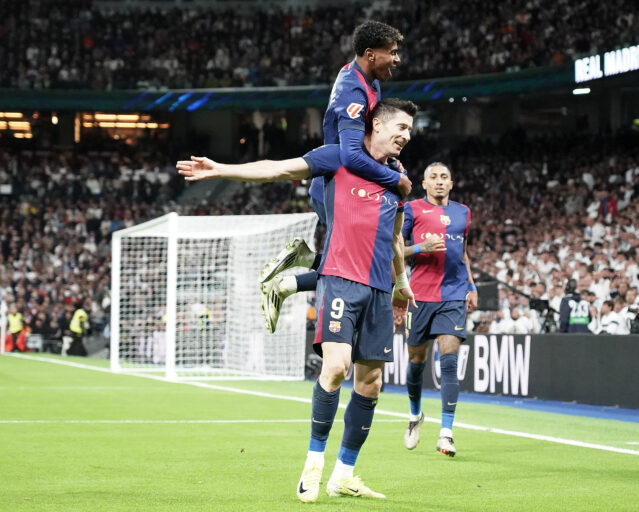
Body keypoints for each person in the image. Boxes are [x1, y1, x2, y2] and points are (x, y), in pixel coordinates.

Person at [178, 98, 419, 502]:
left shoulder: (399, 176)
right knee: (337, 367)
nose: (406, 135)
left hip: (379, 288)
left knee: (371, 382)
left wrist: (401, 281)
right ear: (376, 125)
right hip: (340, 279)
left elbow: (395, 237)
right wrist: (221, 169)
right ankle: (313, 464)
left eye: (410, 129)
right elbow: (277, 168)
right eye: (401, 127)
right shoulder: (340, 157)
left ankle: (344, 474)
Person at [259, 20, 411, 333]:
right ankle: (288, 283)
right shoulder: (352, 89)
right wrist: (393, 179)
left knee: (362, 264)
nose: (397, 59)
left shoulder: (370, 81)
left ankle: (297, 270)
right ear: (370, 54)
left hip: (352, 186)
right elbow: (351, 155)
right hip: (337, 187)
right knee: (357, 267)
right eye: (392, 52)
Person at [399, 162, 477, 458]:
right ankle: (415, 414)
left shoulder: (463, 212)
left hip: (453, 295)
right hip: (420, 295)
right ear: (425, 184)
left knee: (449, 362)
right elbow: (395, 250)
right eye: (433, 177)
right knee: (416, 361)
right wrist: (421, 248)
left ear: (451, 183)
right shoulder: (412, 209)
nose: (439, 181)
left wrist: (471, 286)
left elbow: (464, 254)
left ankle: (446, 433)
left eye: (444, 177)